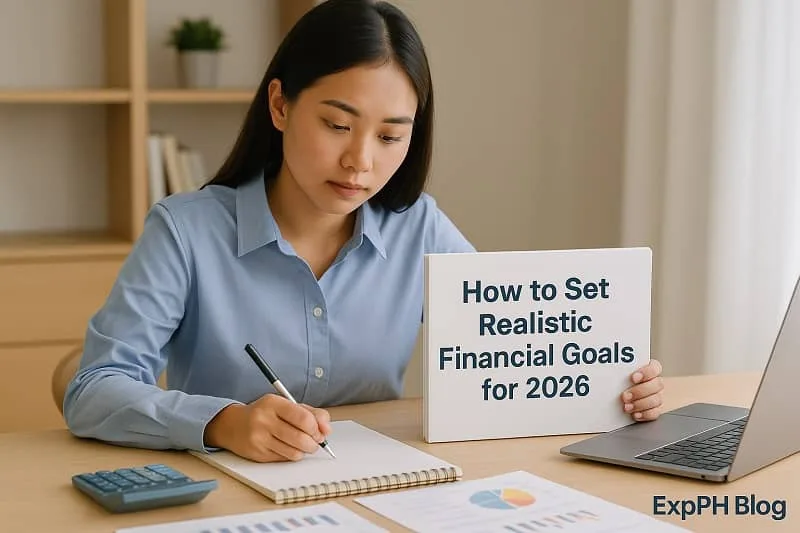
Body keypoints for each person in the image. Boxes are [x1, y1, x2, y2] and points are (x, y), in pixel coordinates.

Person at [63, 0, 664, 463]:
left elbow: (512, 356)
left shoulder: (420, 227)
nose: (360, 162)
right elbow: (93, 388)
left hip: (380, 488)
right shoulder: (185, 230)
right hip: (229, 494)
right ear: (280, 105)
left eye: (390, 135)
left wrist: (611, 386)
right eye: (336, 125)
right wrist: (223, 422)